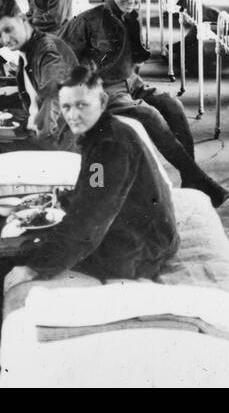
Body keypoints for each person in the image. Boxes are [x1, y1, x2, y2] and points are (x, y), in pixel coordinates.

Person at [62, 0, 229, 207]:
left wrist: (134, 80)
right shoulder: (88, 21)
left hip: (131, 80)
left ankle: (189, 176)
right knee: (150, 115)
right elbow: (63, 57)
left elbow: (135, 57)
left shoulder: (132, 17)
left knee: (173, 105)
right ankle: (197, 177)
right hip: (104, 87)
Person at [15, 66, 179, 281]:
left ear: (102, 102)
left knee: (29, 256)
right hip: (137, 229)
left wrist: (36, 268)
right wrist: (69, 198)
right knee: (35, 244)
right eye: (66, 107)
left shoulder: (109, 145)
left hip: (144, 247)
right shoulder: (100, 133)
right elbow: (96, 186)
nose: (73, 115)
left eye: (82, 105)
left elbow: (89, 220)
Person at [0, 0, 78, 148]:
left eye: (8, 30)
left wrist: (38, 137)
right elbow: (33, 97)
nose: (5, 39)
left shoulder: (47, 51)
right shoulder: (28, 50)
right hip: (52, 133)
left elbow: (54, 92)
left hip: (60, 141)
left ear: (22, 19)